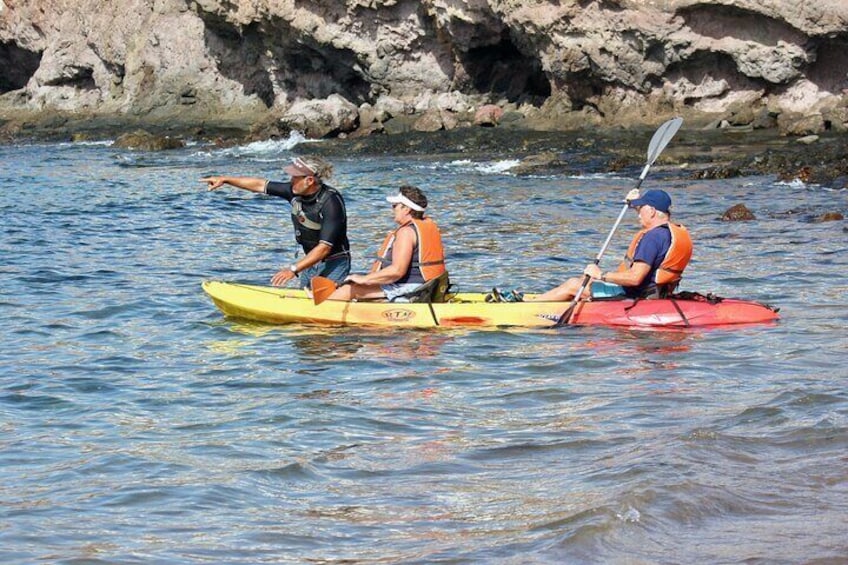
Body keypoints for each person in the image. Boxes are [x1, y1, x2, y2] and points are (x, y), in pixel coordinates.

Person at [200, 156, 351, 287]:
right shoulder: (293, 192)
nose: (290, 181)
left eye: (295, 177)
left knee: (324, 304)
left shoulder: (331, 202)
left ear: (309, 180)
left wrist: (293, 269)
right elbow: (259, 185)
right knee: (305, 302)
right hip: (310, 262)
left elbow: (324, 248)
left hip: (335, 262)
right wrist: (225, 180)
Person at [529, 189, 692, 302]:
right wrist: (632, 202)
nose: (638, 214)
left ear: (651, 211)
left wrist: (602, 275)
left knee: (574, 284)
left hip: (634, 294)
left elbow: (635, 278)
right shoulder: (669, 232)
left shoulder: (652, 238)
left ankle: (527, 308)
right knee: (585, 280)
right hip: (656, 292)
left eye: (641, 208)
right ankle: (538, 299)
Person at [329, 185, 447, 302]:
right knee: (355, 286)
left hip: (412, 288)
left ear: (406, 209)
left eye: (395, 206)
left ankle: (319, 311)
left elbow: (397, 271)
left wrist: (364, 279)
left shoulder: (406, 232)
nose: (392, 208)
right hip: (429, 286)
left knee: (349, 289)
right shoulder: (425, 225)